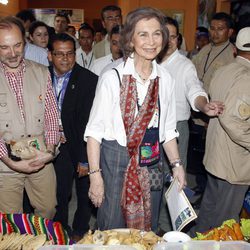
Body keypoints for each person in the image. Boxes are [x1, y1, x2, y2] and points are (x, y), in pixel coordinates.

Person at [84, 7, 186, 232]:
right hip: (116, 159)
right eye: (143, 34)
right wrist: (95, 176)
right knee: (112, 227)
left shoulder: (165, 79)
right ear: (130, 40)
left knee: (146, 229)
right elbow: (94, 131)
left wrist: (177, 165)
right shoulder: (113, 77)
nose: (151, 41)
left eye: (157, 34)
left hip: (152, 161)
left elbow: (168, 130)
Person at [157, 16, 224, 234]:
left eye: (173, 37)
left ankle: (168, 232)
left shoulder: (184, 65)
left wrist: (204, 106)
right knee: (149, 181)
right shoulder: (148, 61)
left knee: (174, 182)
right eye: (163, 35)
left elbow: (195, 89)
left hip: (176, 130)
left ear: (178, 40)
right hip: (149, 130)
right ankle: (149, 227)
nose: (168, 41)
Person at [190, 27, 250, 235]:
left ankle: (198, 243)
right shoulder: (247, 77)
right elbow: (234, 121)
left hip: (216, 156)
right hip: (233, 163)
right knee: (226, 224)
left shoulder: (224, 70)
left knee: (208, 213)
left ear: (235, 49)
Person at [0, 16, 60, 219]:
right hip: (4, 164)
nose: (12, 53)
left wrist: (50, 151)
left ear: (25, 43)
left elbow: (52, 115)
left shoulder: (42, 72)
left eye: (17, 45)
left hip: (40, 156)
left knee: (48, 209)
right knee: (10, 221)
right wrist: (10, 161)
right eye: (4, 47)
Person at [48, 33, 98, 240]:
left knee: (85, 188)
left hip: (80, 143)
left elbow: (90, 121)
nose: (65, 59)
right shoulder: (40, 76)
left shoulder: (88, 80)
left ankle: (80, 229)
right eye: (59, 54)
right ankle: (60, 229)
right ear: (50, 55)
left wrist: (85, 158)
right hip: (52, 144)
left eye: (70, 53)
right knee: (59, 191)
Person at [192, 12, 235, 93]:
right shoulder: (205, 49)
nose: (215, 33)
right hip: (197, 95)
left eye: (220, 29)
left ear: (230, 32)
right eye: (212, 28)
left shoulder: (232, 54)